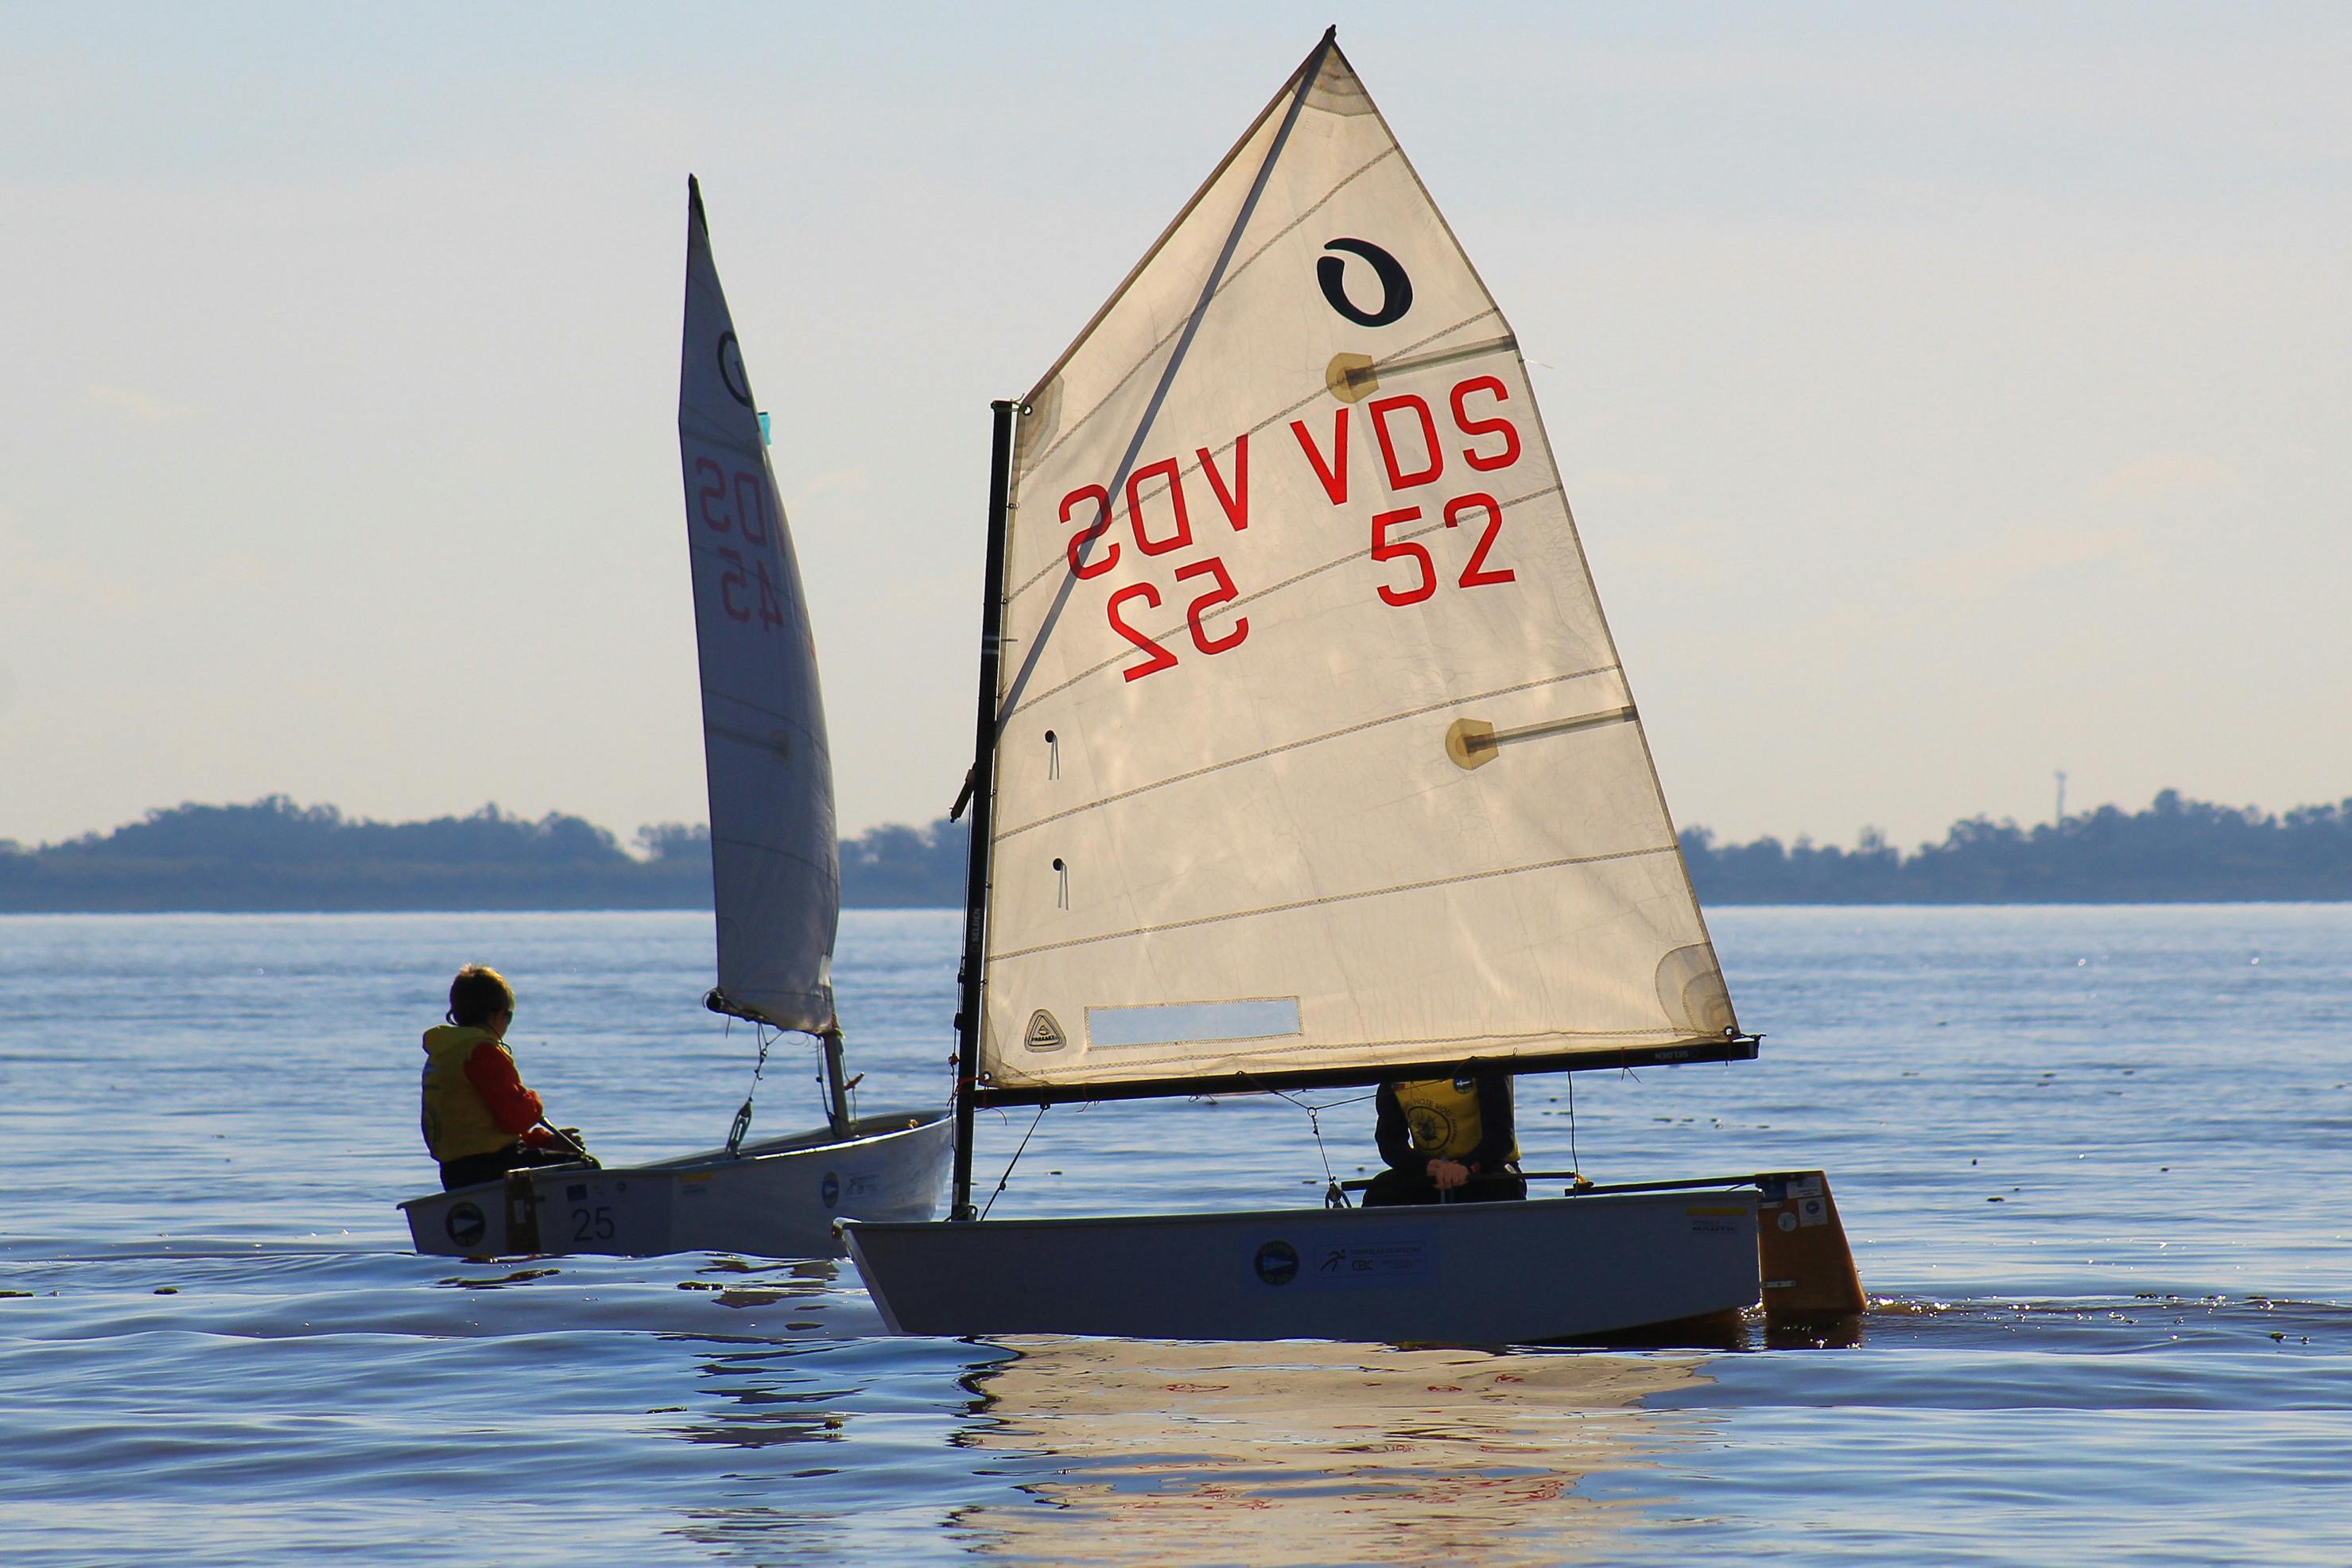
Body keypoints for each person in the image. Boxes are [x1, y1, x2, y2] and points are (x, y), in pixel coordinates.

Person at [420, 964, 591, 1190]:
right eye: (508, 1017)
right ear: (496, 1014)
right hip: (495, 1168)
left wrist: (549, 1143)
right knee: (585, 1166)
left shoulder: (442, 1055)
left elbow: (482, 1131)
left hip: (454, 1173)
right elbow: (516, 1118)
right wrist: (534, 1101)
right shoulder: (482, 1052)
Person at [1362, 1070, 1526, 1206]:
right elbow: (1390, 1143)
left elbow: (1500, 1137)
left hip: (1485, 1167)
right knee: (1380, 1190)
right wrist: (1424, 1166)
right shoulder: (1395, 1075)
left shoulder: (1484, 1066)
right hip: (1433, 1173)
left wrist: (1468, 1167)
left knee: (1503, 1184)